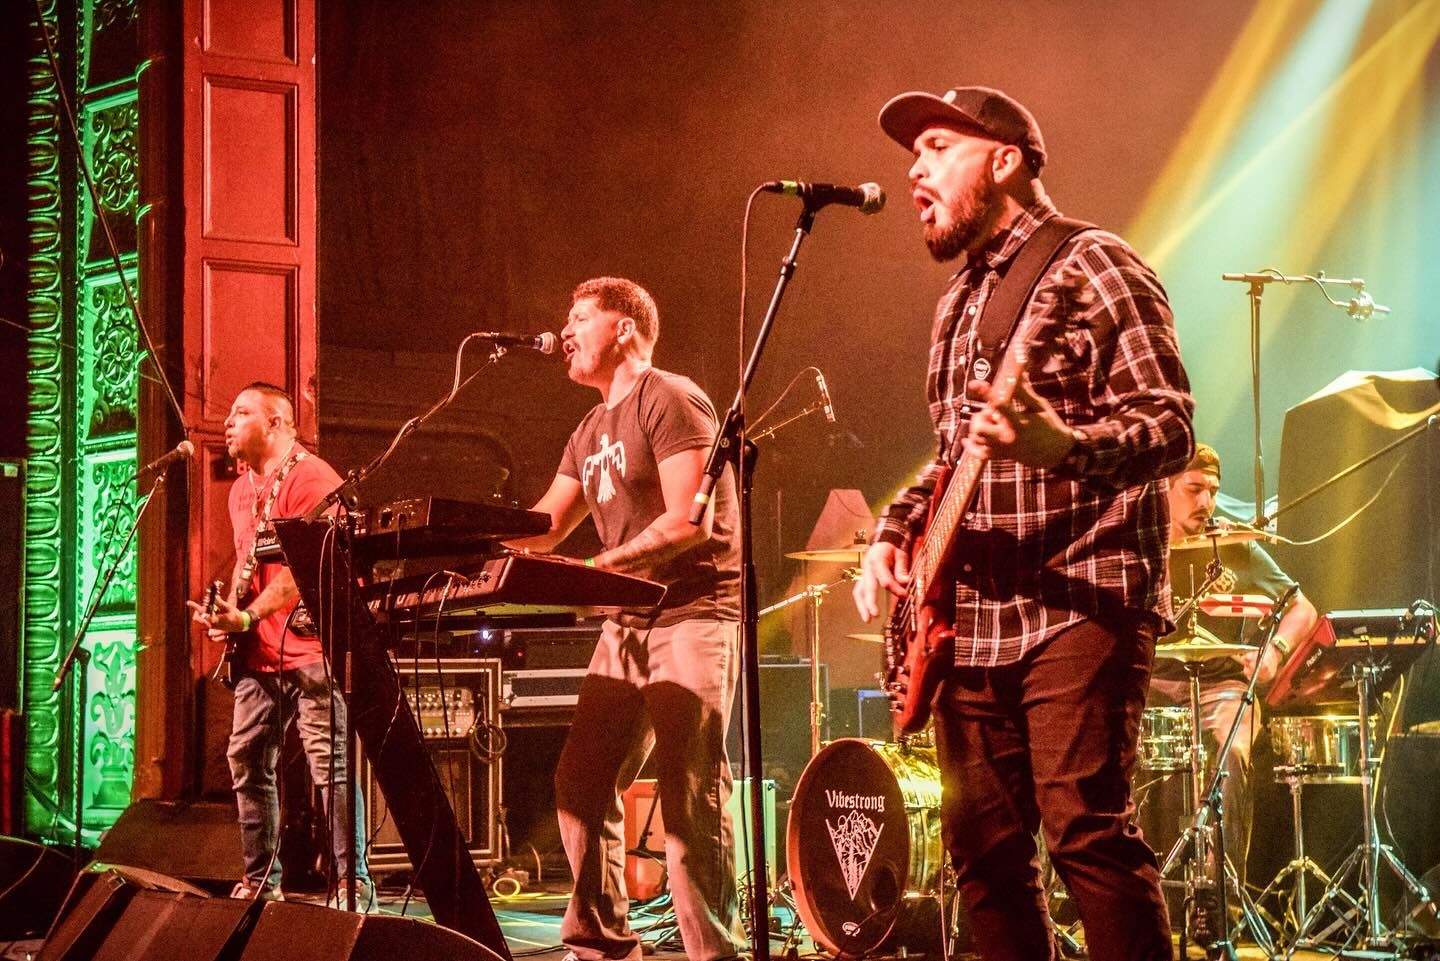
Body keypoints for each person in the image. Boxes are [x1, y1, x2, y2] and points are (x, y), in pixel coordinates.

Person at [853, 86, 1195, 961]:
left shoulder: (1095, 263)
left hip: (1080, 596)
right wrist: (894, 530)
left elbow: (1169, 426)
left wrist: (1063, 446)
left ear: (1004, 160)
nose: (914, 169)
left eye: (937, 146)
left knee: (1087, 833)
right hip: (973, 621)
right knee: (983, 856)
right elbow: (953, 455)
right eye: (912, 154)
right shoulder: (957, 302)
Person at [508, 277, 745, 961]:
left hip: (693, 611)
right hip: (628, 622)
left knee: (688, 792)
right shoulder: (587, 430)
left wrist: (600, 568)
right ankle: (599, 945)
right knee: (580, 782)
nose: (566, 330)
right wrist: (462, 540)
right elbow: (547, 524)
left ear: (623, 328)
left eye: (580, 316)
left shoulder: (668, 397)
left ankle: (714, 954)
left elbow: (690, 521)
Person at [188, 382, 371, 910]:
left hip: (312, 650)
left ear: (276, 423)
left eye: (241, 412)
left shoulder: (311, 479)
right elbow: (252, 564)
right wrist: (229, 616)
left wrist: (248, 615)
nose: (227, 422)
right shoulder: (240, 489)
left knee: (330, 766)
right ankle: (260, 883)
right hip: (260, 654)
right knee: (247, 759)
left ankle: (353, 883)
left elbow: (305, 570)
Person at [1146, 443, 1318, 891]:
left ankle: (1220, 894)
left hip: (1221, 686)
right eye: (1193, 489)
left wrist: (1274, 651)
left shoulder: (1233, 545)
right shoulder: (1140, 544)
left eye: (1213, 491)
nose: (1206, 502)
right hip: (1150, 684)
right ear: (1163, 488)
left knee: (1233, 753)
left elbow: (1302, 607)